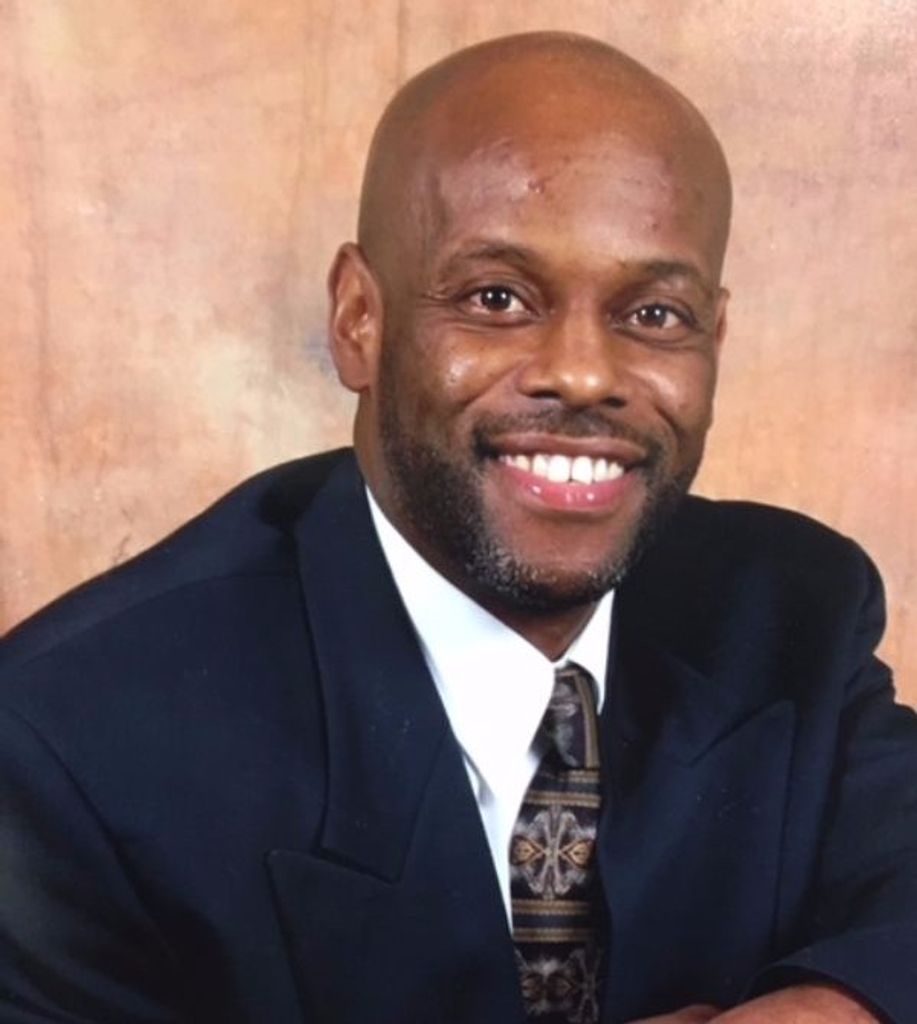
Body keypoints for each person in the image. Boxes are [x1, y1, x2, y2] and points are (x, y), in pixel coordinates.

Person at [0, 30, 914, 1024]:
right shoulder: (68, 743)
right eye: (497, 298)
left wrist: (828, 1009)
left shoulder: (787, 607)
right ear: (359, 319)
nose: (583, 374)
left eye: (653, 315)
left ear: (714, 338)